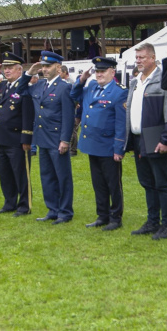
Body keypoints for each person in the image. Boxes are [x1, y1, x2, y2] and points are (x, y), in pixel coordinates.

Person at [125, 43, 167, 240]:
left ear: (152, 57)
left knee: (162, 183)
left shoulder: (164, 79)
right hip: (138, 138)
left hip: (156, 137)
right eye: (137, 57)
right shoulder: (135, 81)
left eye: (142, 57)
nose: (138, 61)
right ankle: (152, 221)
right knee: (147, 183)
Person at [18, 51, 75, 225]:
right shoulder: (38, 85)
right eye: (43, 66)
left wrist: (65, 140)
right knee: (47, 176)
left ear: (58, 67)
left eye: (48, 66)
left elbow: (68, 116)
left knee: (62, 176)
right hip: (42, 137)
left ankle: (65, 211)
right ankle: (53, 209)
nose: (44, 69)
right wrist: (29, 73)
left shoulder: (64, 87)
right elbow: (20, 90)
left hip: (57, 138)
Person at [71, 57, 128, 231]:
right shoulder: (91, 87)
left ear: (112, 72)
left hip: (108, 145)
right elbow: (74, 95)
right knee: (98, 183)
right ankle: (102, 215)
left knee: (113, 183)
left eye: (103, 71)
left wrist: (119, 148)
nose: (99, 74)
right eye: (97, 71)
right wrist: (82, 79)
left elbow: (121, 123)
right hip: (92, 144)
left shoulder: (119, 92)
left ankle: (115, 217)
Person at [0, 52, 34, 217]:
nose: (7, 71)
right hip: (1, 136)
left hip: (17, 138)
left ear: (20, 70)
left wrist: (26, 138)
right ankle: (9, 202)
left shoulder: (24, 87)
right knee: (5, 173)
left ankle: (24, 205)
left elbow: (27, 114)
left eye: (11, 68)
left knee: (20, 173)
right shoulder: (0, 86)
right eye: (5, 68)